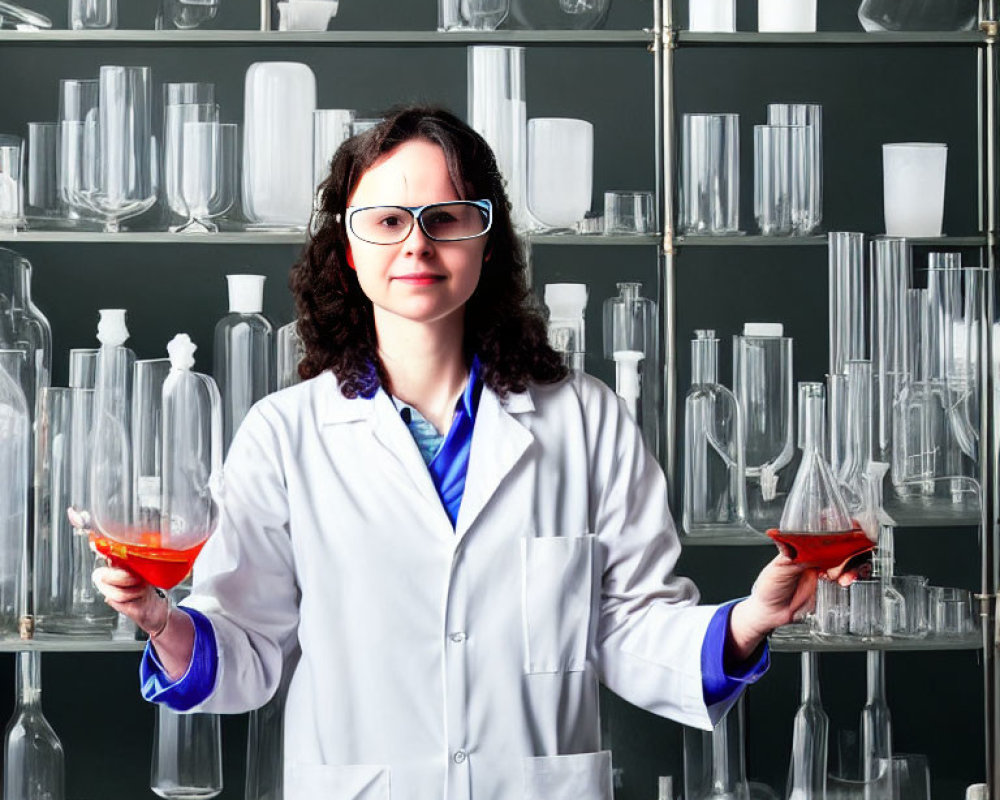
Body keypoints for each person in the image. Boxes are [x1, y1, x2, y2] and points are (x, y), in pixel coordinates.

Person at [94, 105, 851, 800]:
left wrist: (751, 618)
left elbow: (629, 625)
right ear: (349, 251)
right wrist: (163, 621)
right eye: (387, 220)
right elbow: (248, 648)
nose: (417, 243)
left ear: (485, 242)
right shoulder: (284, 433)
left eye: (446, 218)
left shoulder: (585, 420)